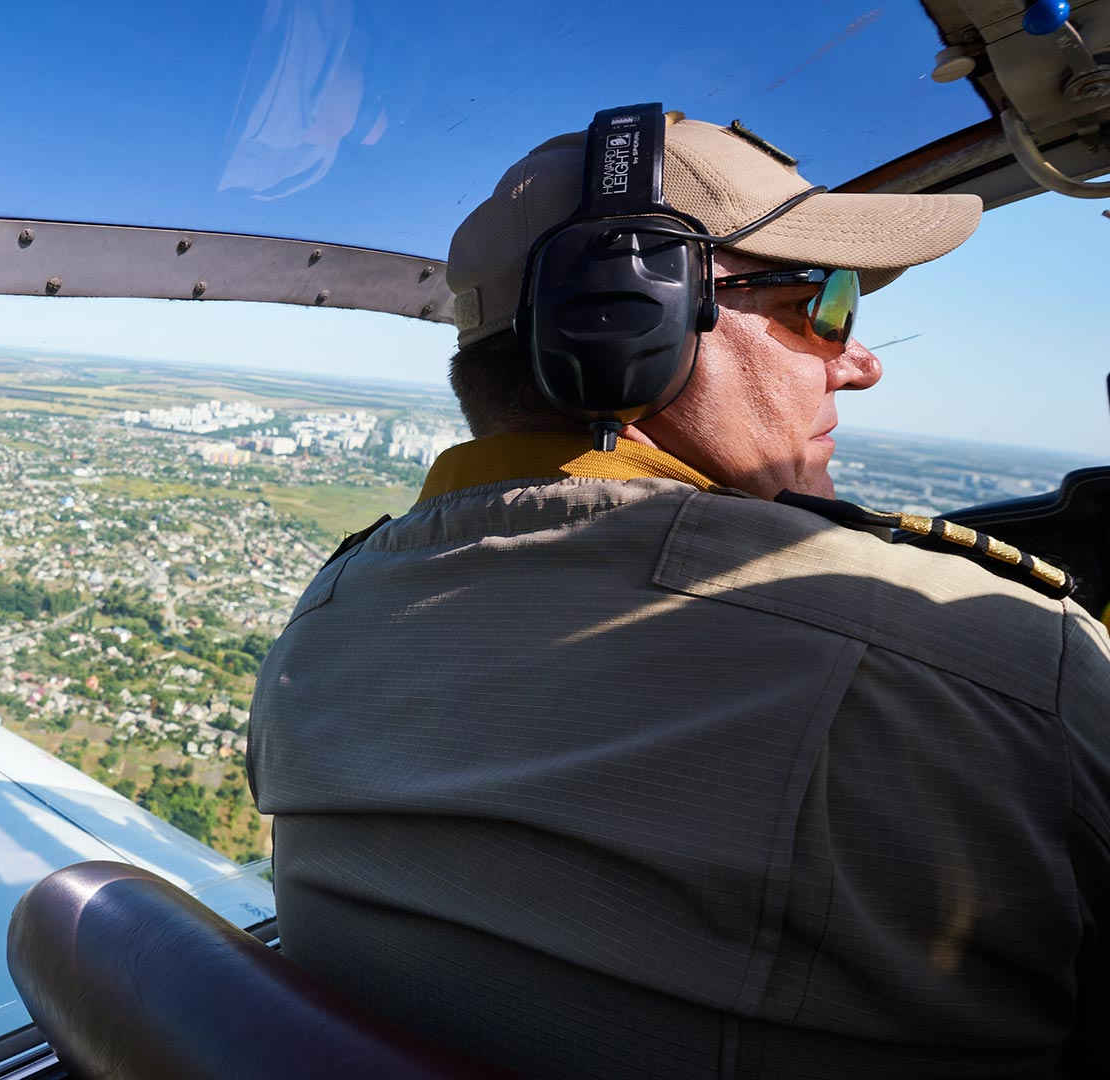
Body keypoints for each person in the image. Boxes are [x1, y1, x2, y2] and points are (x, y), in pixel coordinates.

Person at [247, 113, 1110, 1078]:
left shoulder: (324, 615)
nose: (859, 362)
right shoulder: (1000, 670)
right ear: (627, 321)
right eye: (824, 305)